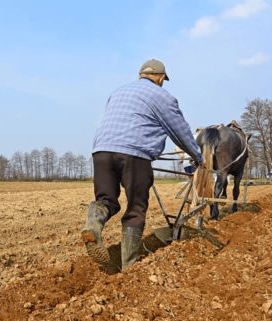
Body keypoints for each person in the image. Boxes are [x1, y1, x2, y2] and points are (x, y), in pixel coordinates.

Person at [82, 58, 203, 270]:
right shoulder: (162, 96)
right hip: (134, 155)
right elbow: (180, 131)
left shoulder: (118, 92)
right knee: (136, 208)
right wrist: (197, 156)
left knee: (107, 200)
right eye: (163, 79)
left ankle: (93, 225)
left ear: (141, 75)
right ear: (160, 77)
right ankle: (129, 267)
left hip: (101, 151)